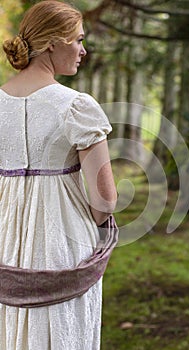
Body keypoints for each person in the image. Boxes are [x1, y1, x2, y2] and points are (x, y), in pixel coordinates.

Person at [0, 1, 117, 349]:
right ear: (53, 43)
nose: (83, 50)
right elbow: (104, 200)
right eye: (78, 40)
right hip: (62, 243)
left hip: (4, 238)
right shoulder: (76, 106)